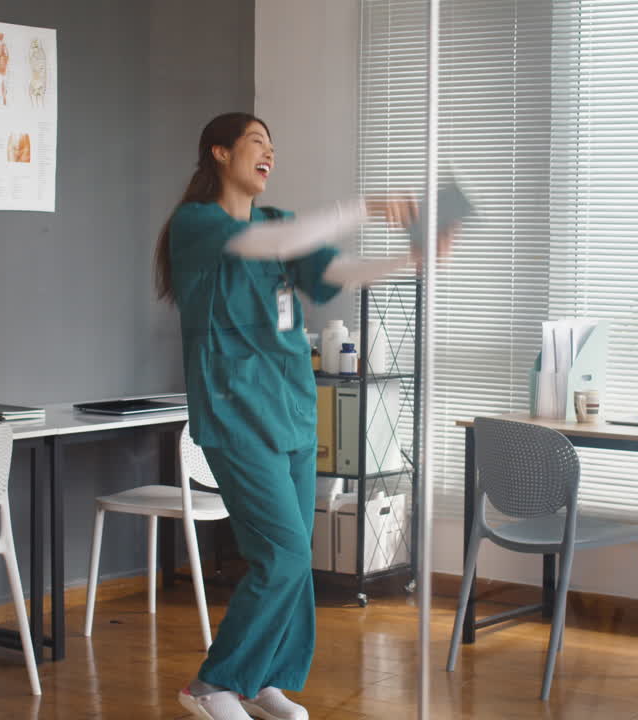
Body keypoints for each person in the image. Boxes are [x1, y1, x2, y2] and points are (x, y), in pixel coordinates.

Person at [156, 112, 451, 720]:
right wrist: (369, 205)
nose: (269, 154)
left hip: (290, 409)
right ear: (218, 152)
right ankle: (212, 686)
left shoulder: (277, 221)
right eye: (256, 143)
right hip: (236, 414)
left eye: (273, 146)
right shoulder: (197, 225)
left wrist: (408, 262)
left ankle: (262, 681)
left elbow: (334, 272)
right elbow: (274, 248)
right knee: (283, 555)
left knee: (295, 558)